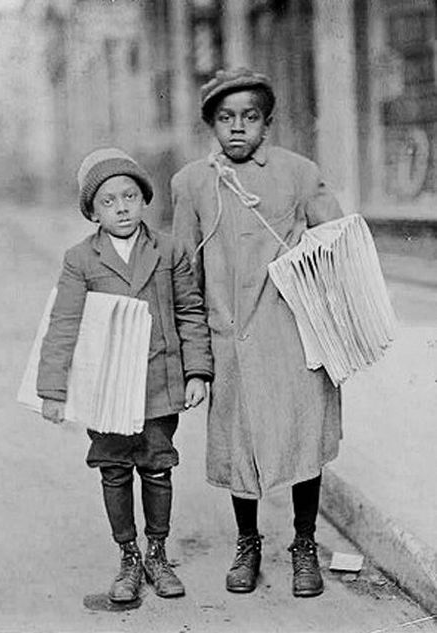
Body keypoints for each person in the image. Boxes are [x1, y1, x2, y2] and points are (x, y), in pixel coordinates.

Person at [171, 68, 343, 598]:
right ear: (211, 126)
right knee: (238, 446)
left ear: (267, 124)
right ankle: (248, 543)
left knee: (301, 442)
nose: (237, 128)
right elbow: (184, 272)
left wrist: (320, 287)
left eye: (250, 118)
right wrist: (195, 356)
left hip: (294, 338)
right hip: (230, 343)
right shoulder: (192, 183)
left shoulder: (298, 172)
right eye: (226, 119)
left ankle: (305, 543)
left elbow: (337, 243)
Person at [37, 148, 213, 603]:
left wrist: (197, 372)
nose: (121, 208)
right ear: (92, 211)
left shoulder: (168, 249)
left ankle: (157, 551)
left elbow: (190, 311)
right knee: (114, 469)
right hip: (107, 388)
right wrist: (53, 391)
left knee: (157, 467)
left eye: (130, 196)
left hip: (158, 383)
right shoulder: (81, 259)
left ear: (144, 200)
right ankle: (129, 556)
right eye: (109, 201)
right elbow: (64, 324)